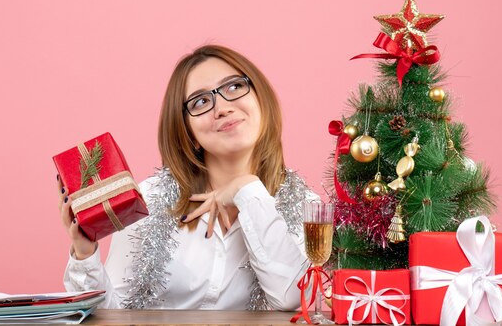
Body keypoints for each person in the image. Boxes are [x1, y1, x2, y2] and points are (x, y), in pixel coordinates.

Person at [58, 45, 317, 310]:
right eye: (201, 102)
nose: (223, 108)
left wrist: (246, 188)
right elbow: (112, 314)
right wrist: (84, 253)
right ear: (188, 132)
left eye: (234, 87)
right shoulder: (150, 200)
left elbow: (293, 298)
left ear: (260, 99)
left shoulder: (306, 206)